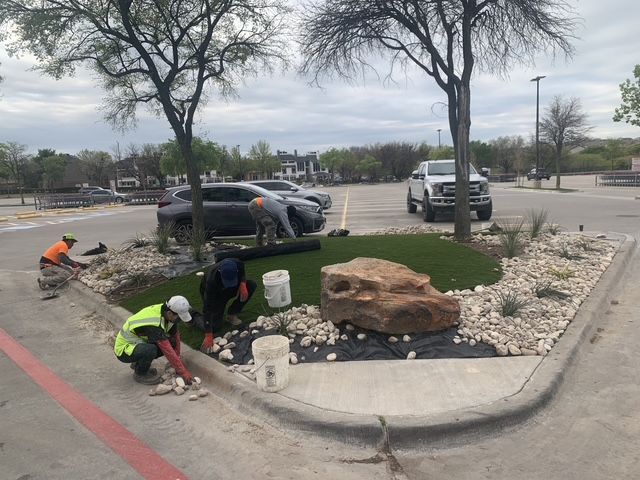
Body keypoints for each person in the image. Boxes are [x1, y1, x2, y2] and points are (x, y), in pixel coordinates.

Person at [114, 296, 196, 385]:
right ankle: (140, 373)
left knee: (172, 341)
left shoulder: (167, 313)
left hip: (137, 343)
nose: (179, 320)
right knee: (151, 349)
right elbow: (167, 349)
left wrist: (177, 360)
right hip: (124, 350)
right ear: (169, 313)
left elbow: (175, 336)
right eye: (179, 317)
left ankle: (138, 363)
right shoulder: (154, 324)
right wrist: (183, 372)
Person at [194, 258, 257, 353]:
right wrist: (208, 334)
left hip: (230, 289)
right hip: (217, 294)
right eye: (228, 280)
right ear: (220, 273)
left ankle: (232, 314)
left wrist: (243, 283)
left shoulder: (237, 264)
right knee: (215, 326)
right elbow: (207, 308)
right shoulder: (211, 281)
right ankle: (193, 316)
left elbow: (242, 270)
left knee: (251, 285)